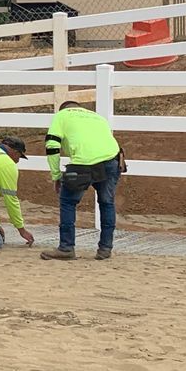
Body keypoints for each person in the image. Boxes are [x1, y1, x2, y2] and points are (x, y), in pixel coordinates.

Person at [40, 99, 124, 261]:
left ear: (63, 109)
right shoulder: (98, 117)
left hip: (83, 163)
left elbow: (52, 145)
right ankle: (105, 249)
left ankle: (66, 248)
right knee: (107, 203)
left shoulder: (61, 115)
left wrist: (56, 175)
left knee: (68, 202)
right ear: (80, 108)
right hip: (112, 159)